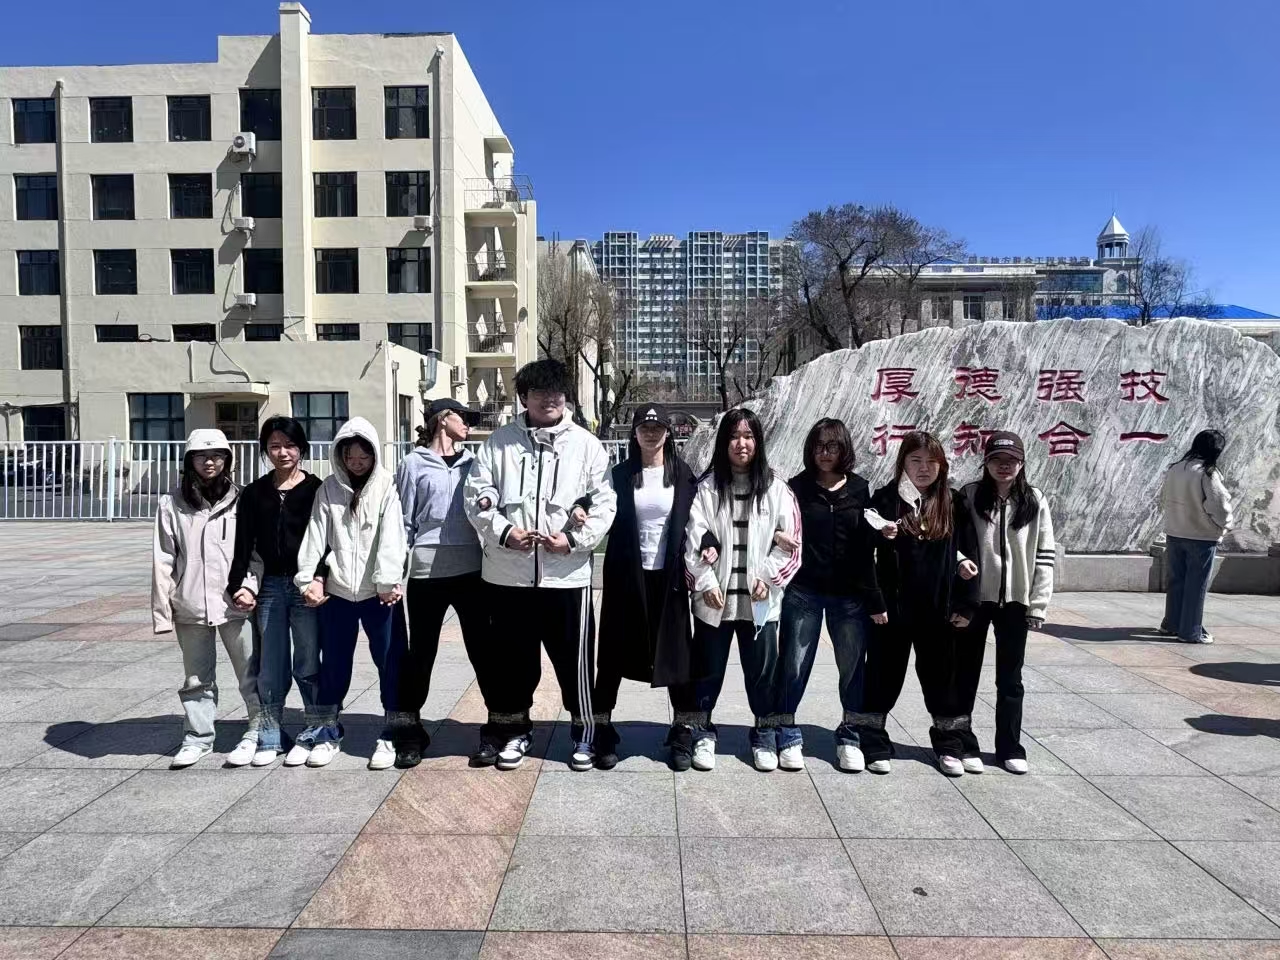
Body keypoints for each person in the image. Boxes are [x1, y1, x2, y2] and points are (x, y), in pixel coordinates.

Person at [465, 359, 617, 771]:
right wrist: (503, 533)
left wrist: (573, 541)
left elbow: (604, 504)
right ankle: (515, 732)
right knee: (512, 664)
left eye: (556, 392)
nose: (549, 399)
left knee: (576, 665)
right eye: (539, 392)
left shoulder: (586, 445)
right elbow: (477, 496)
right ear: (523, 398)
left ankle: (585, 734)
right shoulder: (498, 444)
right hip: (507, 577)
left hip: (566, 578)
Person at [676, 407, 802, 773]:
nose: (741, 443)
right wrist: (705, 582)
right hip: (715, 601)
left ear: (758, 442)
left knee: (762, 673)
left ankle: (764, 734)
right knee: (707, 671)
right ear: (723, 443)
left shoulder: (777, 489)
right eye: (734, 436)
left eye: (748, 436)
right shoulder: (708, 488)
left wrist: (769, 576)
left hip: (759, 603)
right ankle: (703, 732)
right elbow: (693, 538)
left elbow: (791, 544)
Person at [856, 431, 979, 777]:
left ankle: (949, 743)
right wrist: (874, 600)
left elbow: (970, 552)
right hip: (892, 612)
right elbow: (864, 554)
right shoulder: (884, 500)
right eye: (915, 460)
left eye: (931, 462)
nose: (924, 468)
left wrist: (966, 604)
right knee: (883, 676)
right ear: (902, 463)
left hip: (938, 611)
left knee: (942, 679)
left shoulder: (952, 502)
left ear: (942, 465)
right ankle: (873, 739)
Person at [294, 417, 408, 769]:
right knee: (334, 663)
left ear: (374, 455)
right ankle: (328, 730)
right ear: (340, 456)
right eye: (350, 457)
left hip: (379, 593)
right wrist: (307, 578)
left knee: (390, 661)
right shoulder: (329, 488)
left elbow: (393, 535)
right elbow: (316, 533)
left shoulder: (386, 486)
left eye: (363, 457)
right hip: (339, 592)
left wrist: (387, 580)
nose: (357, 464)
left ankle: (392, 731)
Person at [775, 418, 885, 773]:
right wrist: (776, 535)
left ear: (844, 449)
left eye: (833, 446)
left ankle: (850, 735)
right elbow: (776, 523)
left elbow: (867, 546)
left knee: (852, 667)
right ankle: (787, 733)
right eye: (820, 446)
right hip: (804, 592)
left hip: (849, 597)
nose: (825, 453)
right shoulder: (797, 487)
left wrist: (874, 596)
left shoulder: (860, 489)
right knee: (793, 664)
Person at [152, 429, 263, 769]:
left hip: (235, 604)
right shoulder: (172, 503)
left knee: (251, 673)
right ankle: (197, 737)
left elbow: (256, 553)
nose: (210, 462)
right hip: (191, 604)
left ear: (228, 460)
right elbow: (163, 559)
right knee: (197, 678)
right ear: (189, 461)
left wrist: (250, 587)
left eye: (217, 455)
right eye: (201, 456)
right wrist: (162, 612)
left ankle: (258, 731)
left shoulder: (243, 499)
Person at [596, 404, 697, 770]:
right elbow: (598, 509)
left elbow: (700, 519)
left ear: (668, 433)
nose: (651, 433)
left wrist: (708, 545)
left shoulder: (682, 474)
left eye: (657, 428)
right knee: (612, 653)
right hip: (626, 576)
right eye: (644, 427)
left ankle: (683, 729)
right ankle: (601, 728)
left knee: (676, 653)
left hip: (669, 579)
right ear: (634, 433)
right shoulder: (620, 475)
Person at [390, 398, 490, 769]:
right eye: (463, 417)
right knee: (420, 654)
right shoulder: (412, 463)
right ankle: (409, 733)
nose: (468, 424)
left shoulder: (474, 463)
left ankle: (496, 730)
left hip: (471, 570)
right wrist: (395, 574)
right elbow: (403, 521)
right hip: (426, 573)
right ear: (443, 419)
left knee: (483, 651)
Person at [955, 432, 1056, 775]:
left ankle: (1010, 747)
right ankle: (964, 743)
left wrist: (1038, 604)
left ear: (1022, 463)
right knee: (965, 674)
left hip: (1015, 602)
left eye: (1011, 460)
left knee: (1010, 679)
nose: (1004, 466)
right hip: (976, 599)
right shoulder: (970, 495)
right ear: (985, 463)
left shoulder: (1034, 499)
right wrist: (960, 567)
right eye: (997, 460)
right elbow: (954, 541)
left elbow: (1044, 553)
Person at [227, 416, 325, 767]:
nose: (283, 452)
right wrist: (239, 585)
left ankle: (316, 728)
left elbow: (328, 541)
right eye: (274, 446)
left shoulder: (317, 489)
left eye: (290, 445)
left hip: (305, 585)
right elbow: (243, 544)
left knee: (308, 658)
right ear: (265, 451)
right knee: (270, 662)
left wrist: (320, 578)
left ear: (302, 449)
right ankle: (270, 732)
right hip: (269, 587)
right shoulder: (254, 493)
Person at [1159, 429, 1233, 645]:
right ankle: (1191, 631)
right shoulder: (1207, 472)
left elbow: (1164, 499)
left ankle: (1171, 624)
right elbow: (1219, 505)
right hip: (1201, 536)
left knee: (1176, 581)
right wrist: (1224, 525)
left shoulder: (1175, 468)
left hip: (1175, 532)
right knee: (1196, 584)